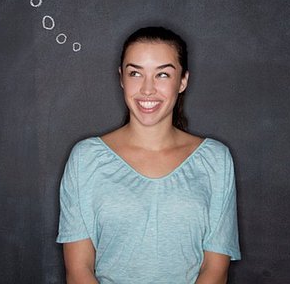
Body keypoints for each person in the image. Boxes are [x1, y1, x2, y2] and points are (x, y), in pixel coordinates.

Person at [57, 26, 241, 284]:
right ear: (121, 78)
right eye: (135, 73)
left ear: (183, 81)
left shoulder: (215, 160)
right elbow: (78, 271)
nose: (147, 89)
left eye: (163, 74)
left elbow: (215, 269)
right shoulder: (85, 159)